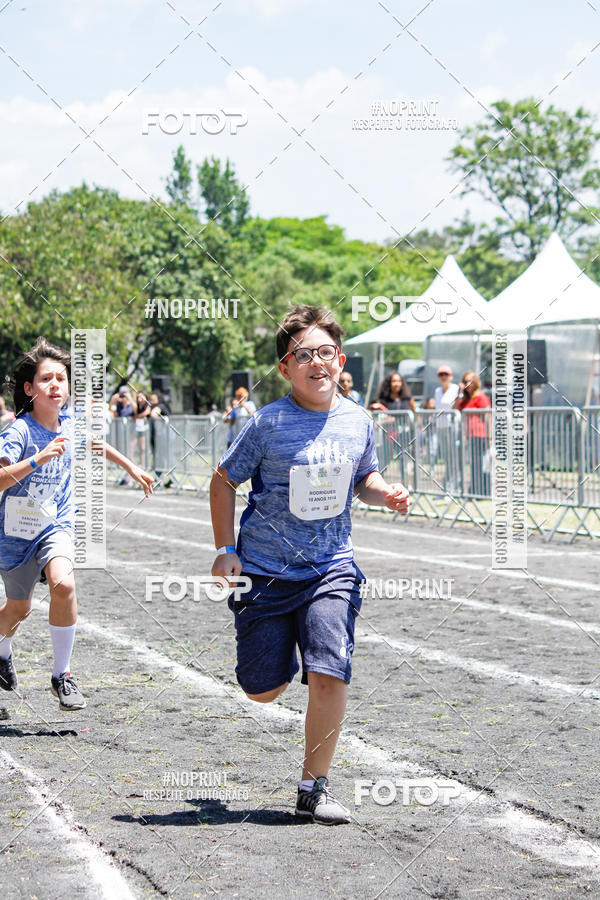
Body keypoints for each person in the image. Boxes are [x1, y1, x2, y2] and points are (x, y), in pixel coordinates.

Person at [210, 305, 409, 826]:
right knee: (262, 690)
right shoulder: (267, 423)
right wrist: (225, 548)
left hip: (331, 566)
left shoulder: (358, 419)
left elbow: (364, 478)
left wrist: (384, 493)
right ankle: (280, 651)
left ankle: (312, 787)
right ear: (285, 367)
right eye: (304, 355)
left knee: (329, 672)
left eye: (326, 353)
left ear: (339, 360)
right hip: (265, 572)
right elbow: (223, 480)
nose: (317, 362)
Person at [0, 337, 153, 708]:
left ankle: (61, 675)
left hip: (56, 525)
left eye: (61, 379)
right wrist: (38, 460)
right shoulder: (19, 432)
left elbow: (97, 444)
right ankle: (2, 652)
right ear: (29, 388)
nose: (55, 385)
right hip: (16, 532)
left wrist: (131, 466)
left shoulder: (70, 422)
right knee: (18, 608)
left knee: (64, 585)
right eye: (46, 379)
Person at [369, 373, 415, 479]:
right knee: (384, 460)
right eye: (393, 381)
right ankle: (380, 483)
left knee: (404, 459)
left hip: (404, 435)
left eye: (398, 381)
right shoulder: (384, 400)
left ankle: (406, 483)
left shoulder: (407, 399)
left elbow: (413, 415)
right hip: (388, 435)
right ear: (389, 383)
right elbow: (374, 411)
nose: (396, 384)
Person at [453, 370, 492, 496]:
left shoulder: (481, 397)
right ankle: (475, 490)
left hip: (480, 435)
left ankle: (482, 491)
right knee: (474, 464)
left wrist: (490, 437)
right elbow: (455, 409)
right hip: (470, 436)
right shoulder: (465, 399)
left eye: (470, 381)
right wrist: (460, 392)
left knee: (481, 465)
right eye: (465, 381)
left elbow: (488, 417)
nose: (468, 384)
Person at [434, 365, 460, 494]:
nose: (443, 377)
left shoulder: (455, 389)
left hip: (451, 426)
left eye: (446, 374)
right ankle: (447, 487)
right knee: (446, 458)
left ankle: (453, 487)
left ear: (451, 376)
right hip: (440, 426)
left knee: (453, 457)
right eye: (441, 374)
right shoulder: (438, 390)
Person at [134, 391, 151, 467]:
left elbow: (147, 412)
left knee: (144, 448)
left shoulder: (148, 405)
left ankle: (145, 464)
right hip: (139, 429)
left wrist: (138, 416)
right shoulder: (137, 406)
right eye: (138, 397)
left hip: (147, 429)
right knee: (140, 448)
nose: (139, 399)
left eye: (141, 397)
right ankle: (142, 464)